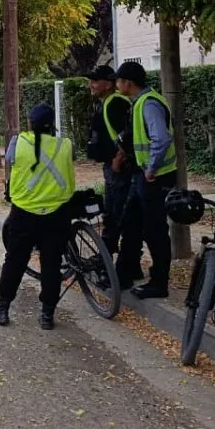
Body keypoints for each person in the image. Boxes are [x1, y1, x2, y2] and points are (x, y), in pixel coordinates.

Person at [0, 103, 75, 330]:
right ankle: (47, 315)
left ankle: (1, 309)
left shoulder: (19, 141)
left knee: (15, 260)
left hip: (24, 211)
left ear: (30, 123)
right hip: (57, 212)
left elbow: (11, 161)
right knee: (52, 263)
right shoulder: (66, 145)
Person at [115, 60, 178, 299]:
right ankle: (127, 270)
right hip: (144, 175)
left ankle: (159, 282)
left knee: (155, 230)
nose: (117, 85)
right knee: (130, 222)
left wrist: (151, 168)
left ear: (127, 83)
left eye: (119, 81)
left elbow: (161, 139)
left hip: (155, 177)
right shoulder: (140, 102)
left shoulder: (149, 104)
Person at [84, 66, 135, 281]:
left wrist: (117, 160)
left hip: (120, 170)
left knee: (116, 216)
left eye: (96, 81)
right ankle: (112, 264)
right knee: (114, 215)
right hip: (111, 168)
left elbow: (128, 134)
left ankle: (110, 268)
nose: (91, 85)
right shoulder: (105, 103)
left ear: (108, 83)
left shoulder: (116, 103)